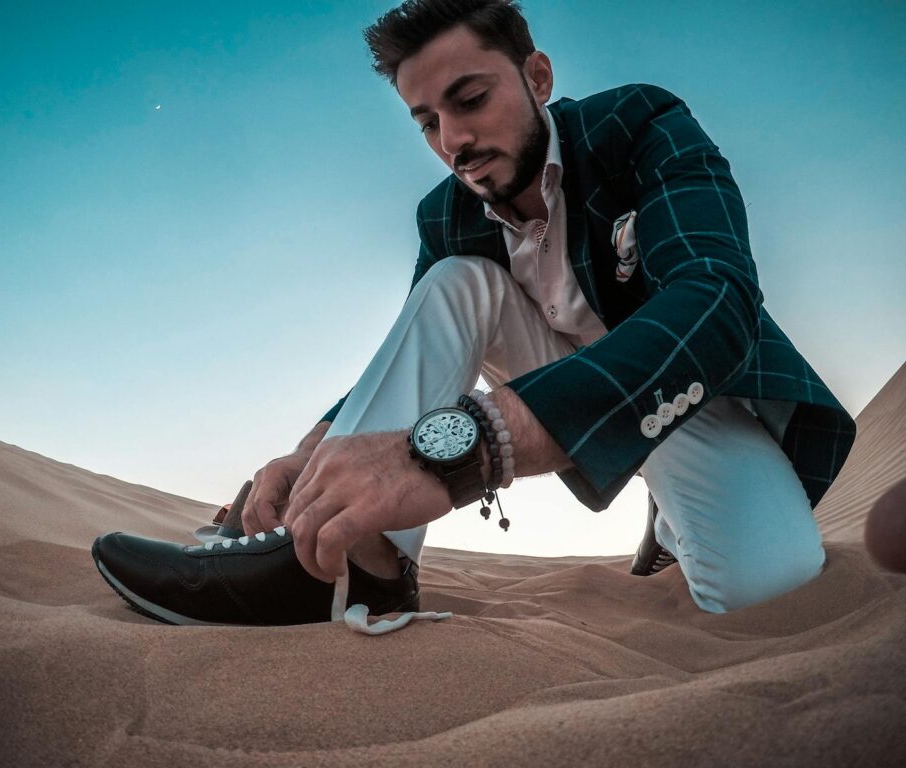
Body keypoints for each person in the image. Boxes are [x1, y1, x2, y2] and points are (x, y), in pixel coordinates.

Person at [91, 0, 855, 627]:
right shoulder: (446, 217)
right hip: (553, 380)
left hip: (691, 394)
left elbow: (717, 300)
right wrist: (310, 451)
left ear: (538, 76)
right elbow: (416, 345)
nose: (453, 140)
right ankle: (351, 561)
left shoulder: (641, 126)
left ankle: (673, 514)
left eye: (470, 99)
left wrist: (473, 450)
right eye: (426, 121)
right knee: (457, 282)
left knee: (772, 590)